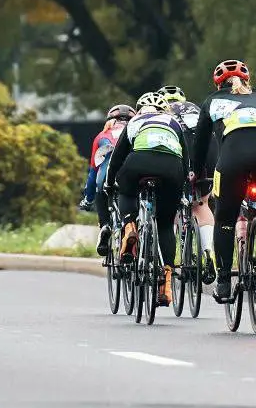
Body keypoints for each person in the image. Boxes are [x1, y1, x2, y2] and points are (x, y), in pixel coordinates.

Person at [191, 59, 256, 303]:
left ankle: (223, 282)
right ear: (247, 80)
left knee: (224, 216)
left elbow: (200, 145)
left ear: (217, 83)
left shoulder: (211, 101)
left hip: (234, 157)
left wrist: (194, 173)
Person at [106, 92, 189, 306]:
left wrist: (109, 183)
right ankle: (167, 282)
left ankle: (129, 226)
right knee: (164, 224)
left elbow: (117, 159)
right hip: (172, 168)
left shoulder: (134, 121)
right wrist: (184, 186)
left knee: (125, 190)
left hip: (139, 162)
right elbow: (186, 158)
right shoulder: (173, 122)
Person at [158, 85, 216, 281]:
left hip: (181, 150)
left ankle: (175, 255)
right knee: (202, 204)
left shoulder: (163, 114)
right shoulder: (195, 108)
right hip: (208, 151)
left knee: (171, 204)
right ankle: (209, 252)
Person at [78, 104, 135, 256]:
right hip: (130, 175)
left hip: (105, 176)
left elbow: (93, 172)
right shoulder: (136, 132)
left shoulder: (101, 136)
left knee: (100, 191)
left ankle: (105, 226)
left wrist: (88, 199)